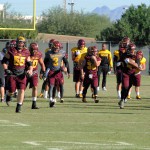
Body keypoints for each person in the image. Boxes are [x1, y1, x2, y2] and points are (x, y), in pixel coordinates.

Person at [2, 36, 33, 113]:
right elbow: (4, 61)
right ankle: (8, 95)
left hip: (22, 74)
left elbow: (30, 63)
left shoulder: (26, 52)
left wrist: (30, 70)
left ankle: (19, 106)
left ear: (24, 43)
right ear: (16, 42)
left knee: (22, 90)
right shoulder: (11, 50)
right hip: (13, 74)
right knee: (12, 91)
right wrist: (6, 69)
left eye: (22, 42)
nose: (20, 44)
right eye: (19, 42)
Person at [118, 43, 142, 109]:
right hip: (125, 73)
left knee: (128, 88)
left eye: (132, 50)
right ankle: (122, 100)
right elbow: (119, 62)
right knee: (125, 87)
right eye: (130, 49)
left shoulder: (136, 56)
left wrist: (132, 63)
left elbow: (138, 66)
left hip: (133, 74)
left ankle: (123, 99)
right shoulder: (124, 55)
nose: (131, 51)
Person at [44, 41, 67, 107]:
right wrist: (44, 71)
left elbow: (66, 62)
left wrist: (65, 68)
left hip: (58, 71)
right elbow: (44, 62)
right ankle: (51, 99)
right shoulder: (49, 53)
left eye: (57, 48)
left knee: (58, 85)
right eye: (55, 48)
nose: (56, 49)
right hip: (51, 71)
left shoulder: (62, 53)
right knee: (51, 85)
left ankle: (56, 97)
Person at [26, 42, 45, 109]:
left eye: (35, 50)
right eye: (33, 50)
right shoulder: (26, 54)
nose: (34, 52)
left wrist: (43, 72)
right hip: (25, 72)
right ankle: (20, 101)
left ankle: (34, 103)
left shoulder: (38, 54)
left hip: (34, 73)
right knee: (22, 88)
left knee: (35, 87)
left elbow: (42, 63)